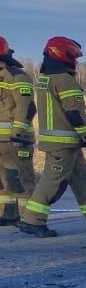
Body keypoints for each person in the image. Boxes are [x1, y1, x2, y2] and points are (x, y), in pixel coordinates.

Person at [18, 37, 86, 237]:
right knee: (52, 181)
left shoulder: (46, 79)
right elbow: (74, 113)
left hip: (62, 142)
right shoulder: (65, 80)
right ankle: (32, 220)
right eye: (73, 57)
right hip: (62, 144)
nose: (76, 62)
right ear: (63, 55)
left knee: (82, 180)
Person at [0, 36, 35, 225]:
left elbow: (26, 109)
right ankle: (8, 214)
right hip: (2, 143)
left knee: (22, 180)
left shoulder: (18, 77)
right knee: (4, 182)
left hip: (17, 140)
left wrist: (17, 134)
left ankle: (31, 218)